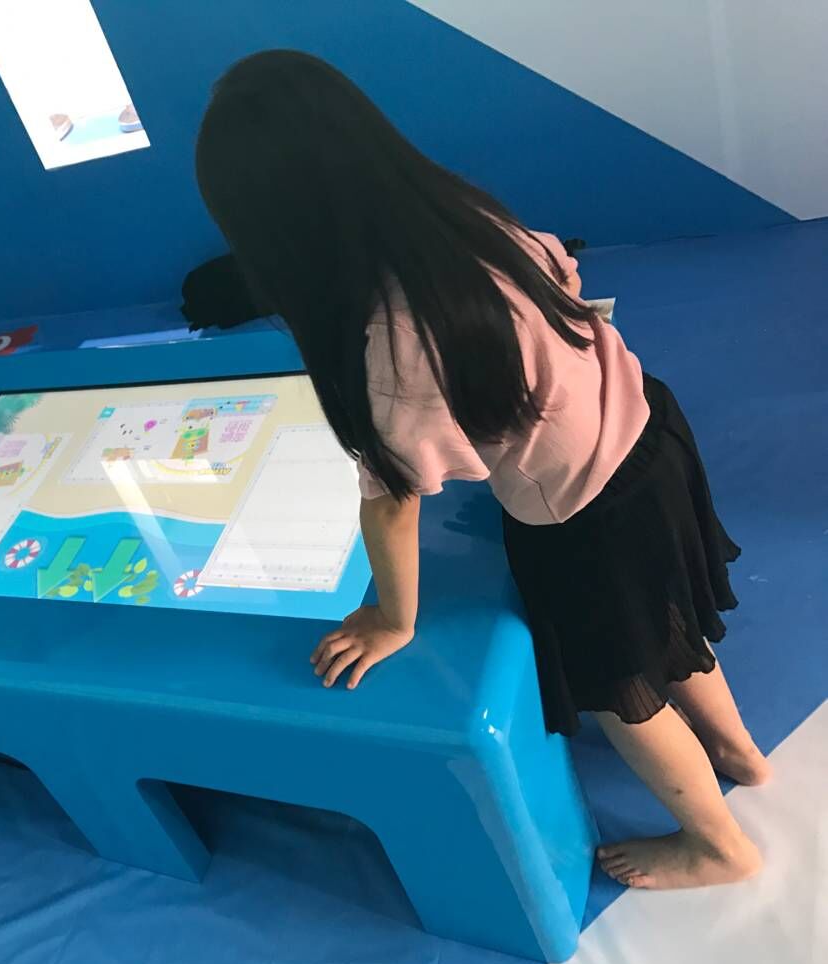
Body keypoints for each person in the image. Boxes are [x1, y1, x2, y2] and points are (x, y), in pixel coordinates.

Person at [194, 50, 770, 890]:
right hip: (648, 427)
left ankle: (718, 843)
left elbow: (392, 498)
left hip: (586, 513)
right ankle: (738, 751)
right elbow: (565, 276)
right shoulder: (460, 213)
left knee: (620, 686)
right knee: (667, 620)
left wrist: (393, 619)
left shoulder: (390, 341)